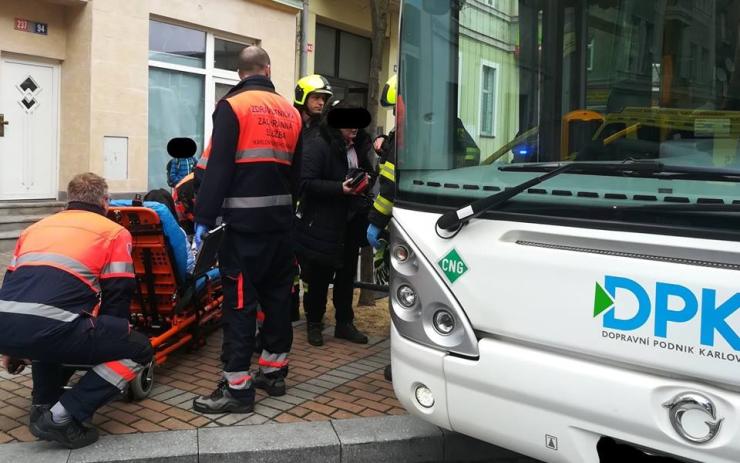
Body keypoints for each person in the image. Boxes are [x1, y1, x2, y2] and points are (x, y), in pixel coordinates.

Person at [0, 172, 153, 449]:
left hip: (7, 327)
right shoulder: (114, 232)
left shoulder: (35, 228)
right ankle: (61, 416)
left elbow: (10, 282)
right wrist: (114, 336)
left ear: (70, 200)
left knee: (49, 329)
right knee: (138, 348)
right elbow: (118, 291)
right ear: (105, 201)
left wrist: (10, 345)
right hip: (50, 330)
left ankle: (42, 405)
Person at [191, 45, 303, 414]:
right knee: (277, 299)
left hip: (242, 230)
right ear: (267, 70)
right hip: (282, 229)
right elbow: (297, 176)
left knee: (240, 305)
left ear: (239, 74)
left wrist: (203, 218)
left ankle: (237, 388)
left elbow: (218, 168)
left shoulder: (232, 106)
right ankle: (273, 372)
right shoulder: (291, 111)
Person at [294, 101, 374, 347]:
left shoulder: (360, 146)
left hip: (351, 223)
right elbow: (304, 183)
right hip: (323, 224)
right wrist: (340, 189)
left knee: (347, 275)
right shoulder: (318, 145)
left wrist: (367, 180)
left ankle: (344, 323)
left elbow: (370, 172)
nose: (355, 129)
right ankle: (314, 324)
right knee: (319, 276)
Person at [294, 74, 333, 141]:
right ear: (302, 97)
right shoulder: (291, 123)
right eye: (316, 97)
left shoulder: (327, 129)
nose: (321, 103)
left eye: (323, 99)